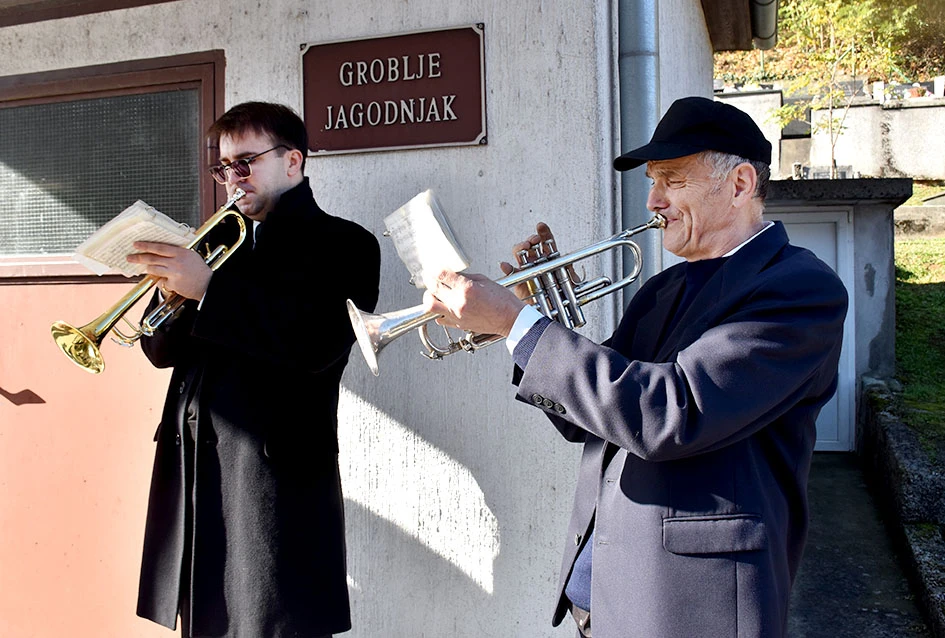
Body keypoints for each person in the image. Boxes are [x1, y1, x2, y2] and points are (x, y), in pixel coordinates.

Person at [423, 96, 848, 637]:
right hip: (607, 601)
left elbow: (669, 413)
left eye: (672, 179)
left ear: (740, 185)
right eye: (652, 180)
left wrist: (520, 324)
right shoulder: (663, 289)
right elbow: (588, 420)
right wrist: (541, 318)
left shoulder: (798, 290)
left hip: (697, 607)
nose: (653, 200)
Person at [125, 101, 381, 638]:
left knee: (276, 623)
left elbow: (316, 345)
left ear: (294, 162)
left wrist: (209, 290)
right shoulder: (216, 243)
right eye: (224, 167)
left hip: (273, 483)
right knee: (206, 622)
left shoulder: (346, 243)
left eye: (246, 162)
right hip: (197, 470)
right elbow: (160, 351)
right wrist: (169, 296)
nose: (232, 178)